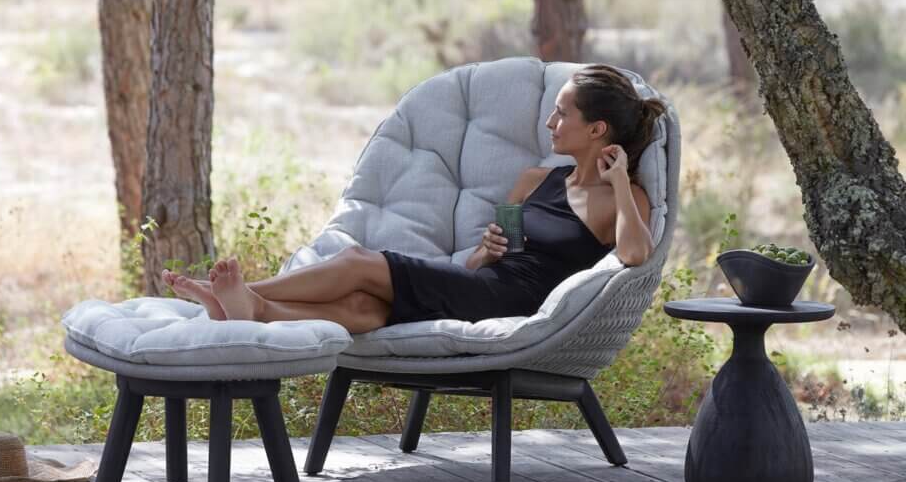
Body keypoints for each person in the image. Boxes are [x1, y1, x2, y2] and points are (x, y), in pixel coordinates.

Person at [163, 65, 664, 334]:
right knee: (364, 309)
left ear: (596, 129)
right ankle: (255, 310)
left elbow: (636, 255)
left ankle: (242, 291)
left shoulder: (624, 199)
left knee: (361, 261)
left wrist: (619, 182)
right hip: (485, 286)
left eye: (562, 115)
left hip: (518, 303)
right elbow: (479, 263)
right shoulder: (532, 180)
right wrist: (485, 250)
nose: (551, 123)